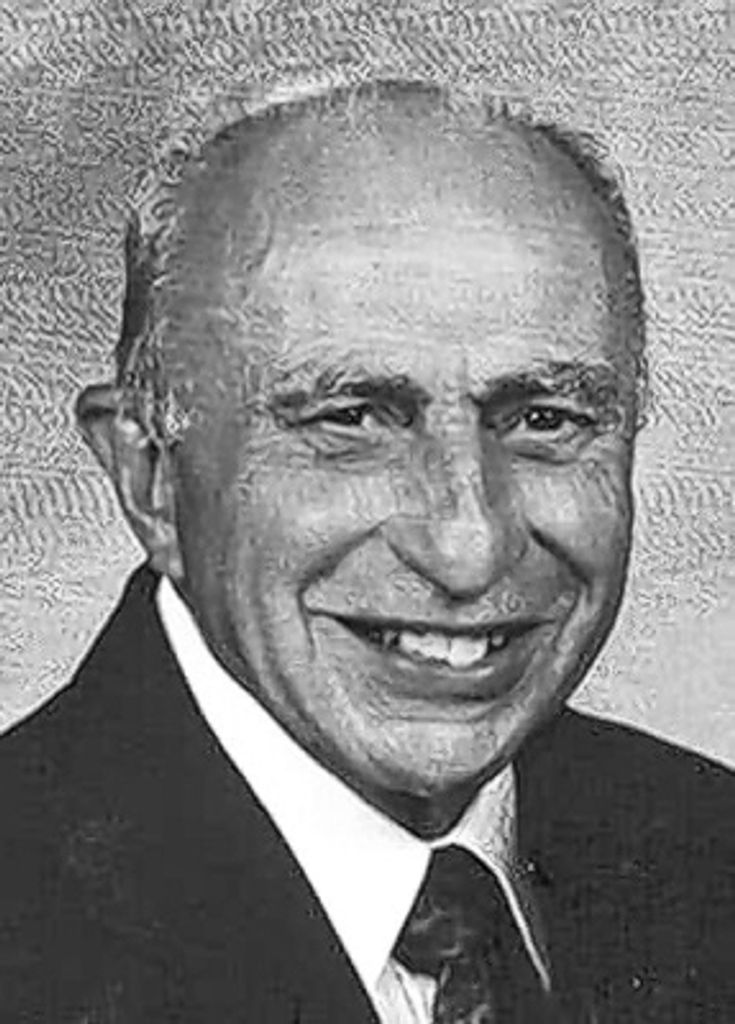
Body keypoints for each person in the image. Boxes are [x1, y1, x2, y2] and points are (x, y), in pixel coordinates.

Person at [1, 76, 732, 1024]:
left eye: (544, 419)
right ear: (152, 480)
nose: (468, 548)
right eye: (351, 420)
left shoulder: (709, 854)